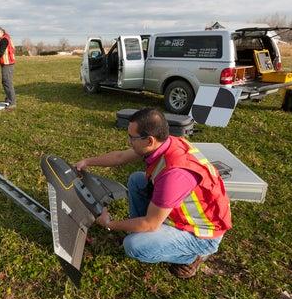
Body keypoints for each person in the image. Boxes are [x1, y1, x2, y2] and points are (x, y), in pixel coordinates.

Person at [75, 108, 232, 278]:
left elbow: (151, 223)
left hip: (201, 234)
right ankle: (138, 229)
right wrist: (87, 162)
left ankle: (192, 256)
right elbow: (120, 157)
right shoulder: (167, 143)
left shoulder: (174, 174)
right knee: (137, 180)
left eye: (132, 137)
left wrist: (109, 224)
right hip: (178, 212)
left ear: (149, 140)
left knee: (134, 246)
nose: (129, 142)